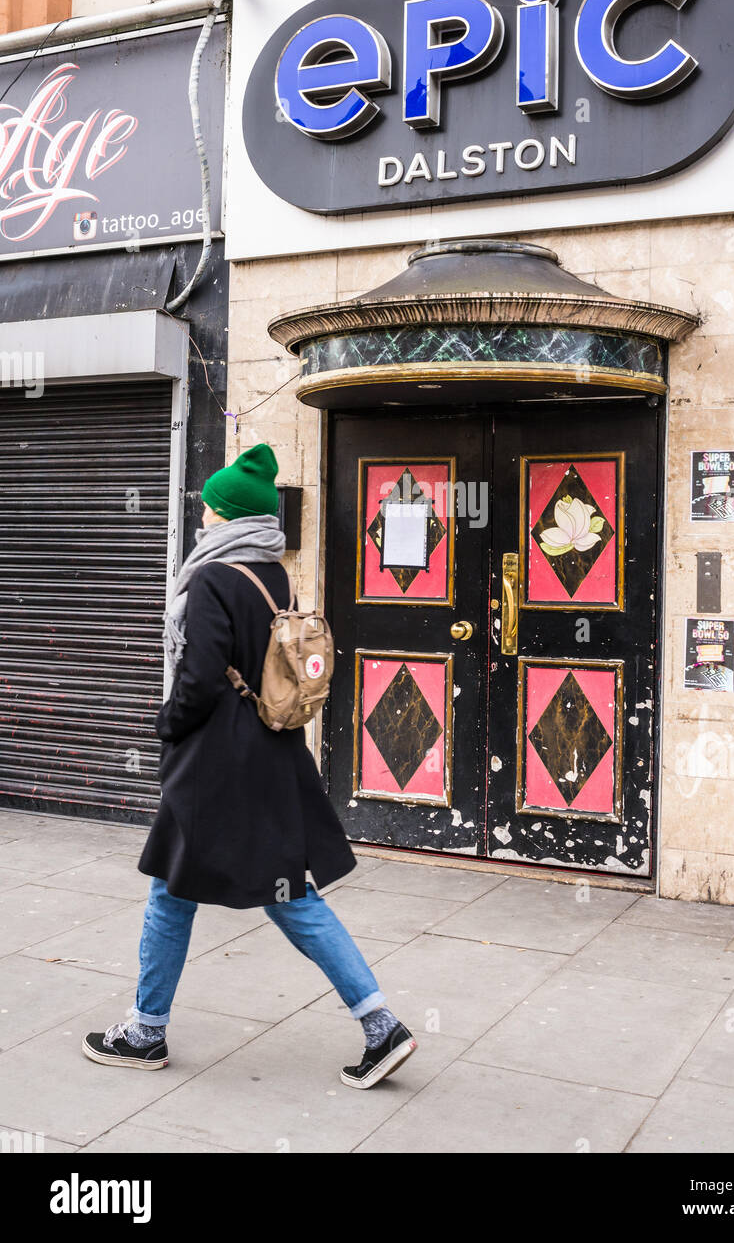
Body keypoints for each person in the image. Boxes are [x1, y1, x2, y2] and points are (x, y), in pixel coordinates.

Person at [82, 443, 416, 1090]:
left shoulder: (210, 578)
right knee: (282, 892)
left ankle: (147, 1033)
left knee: (175, 891)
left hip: (214, 765)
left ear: (228, 514)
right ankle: (379, 1025)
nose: (202, 513)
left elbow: (203, 674)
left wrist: (166, 727)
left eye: (210, 505)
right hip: (269, 754)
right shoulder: (272, 575)